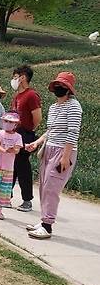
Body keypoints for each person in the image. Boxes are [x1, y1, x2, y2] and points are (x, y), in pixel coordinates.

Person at [25, 71, 82, 240]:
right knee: (44, 185)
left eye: (63, 86)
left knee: (52, 187)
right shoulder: (53, 107)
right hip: (49, 148)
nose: (59, 88)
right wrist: (37, 143)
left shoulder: (74, 106)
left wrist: (66, 157)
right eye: (57, 85)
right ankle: (44, 220)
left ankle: (47, 225)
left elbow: (73, 133)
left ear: (69, 89)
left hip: (63, 150)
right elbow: (51, 131)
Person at [10, 65, 42, 212]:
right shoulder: (17, 96)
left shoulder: (31, 95)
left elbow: (37, 118)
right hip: (14, 133)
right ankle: (6, 195)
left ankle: (27, 200)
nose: (14, 80)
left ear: (23, 77)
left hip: (25, 134)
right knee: (12, 165)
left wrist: (29, 131)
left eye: (16, 77)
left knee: (22, 166)